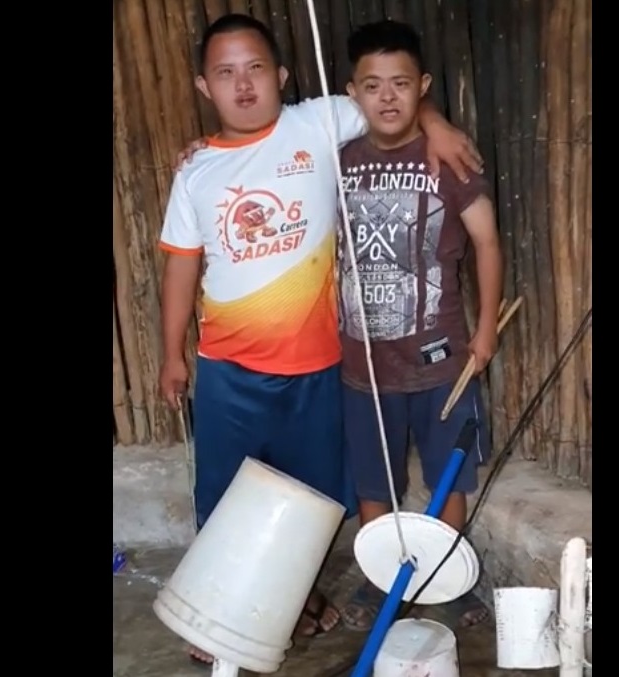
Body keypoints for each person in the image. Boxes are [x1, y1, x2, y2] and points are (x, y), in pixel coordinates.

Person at [156, 13, 482, 666]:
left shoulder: (320, 122)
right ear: (203, 86)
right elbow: (182, 264)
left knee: (312, 500)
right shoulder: (195, 173)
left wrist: (439, 122)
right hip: (228, 368)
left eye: (254, 69)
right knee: (223, 496)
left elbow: (392, 100)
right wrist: (170, 354)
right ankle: (218, 617)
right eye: (225, 73)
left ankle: (294, 603)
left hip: (319, 364)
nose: (242, 85)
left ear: (280, 76)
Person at [334, 20, 503, 632]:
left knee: (446, 476)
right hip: (362, 365)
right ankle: (379, 579)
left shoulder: (447, 158)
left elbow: (486, 243)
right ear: (351, 93)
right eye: (372, 85)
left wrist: (484, 333)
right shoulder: (337, 158)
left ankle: (445, 575)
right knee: (372, 482)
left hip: (441, 361)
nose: (387, 97)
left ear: (422, 87)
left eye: (401, 84)